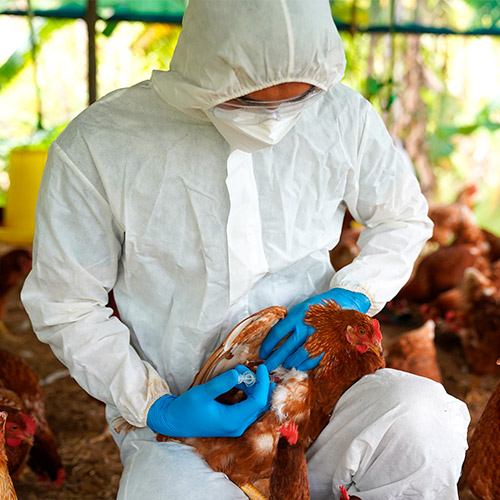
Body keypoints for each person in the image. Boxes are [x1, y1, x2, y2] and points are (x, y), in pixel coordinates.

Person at [21, 0, 470, 499]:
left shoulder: (343, 117)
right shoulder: (101, 145)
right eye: (251, 102)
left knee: (421, 418)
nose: (276, 119)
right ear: (206, 74)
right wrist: (154, 405)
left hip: (319, 401)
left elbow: (402, 216)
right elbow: (67, 302)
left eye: (299, 99)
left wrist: (353, 296)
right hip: (189, 429)